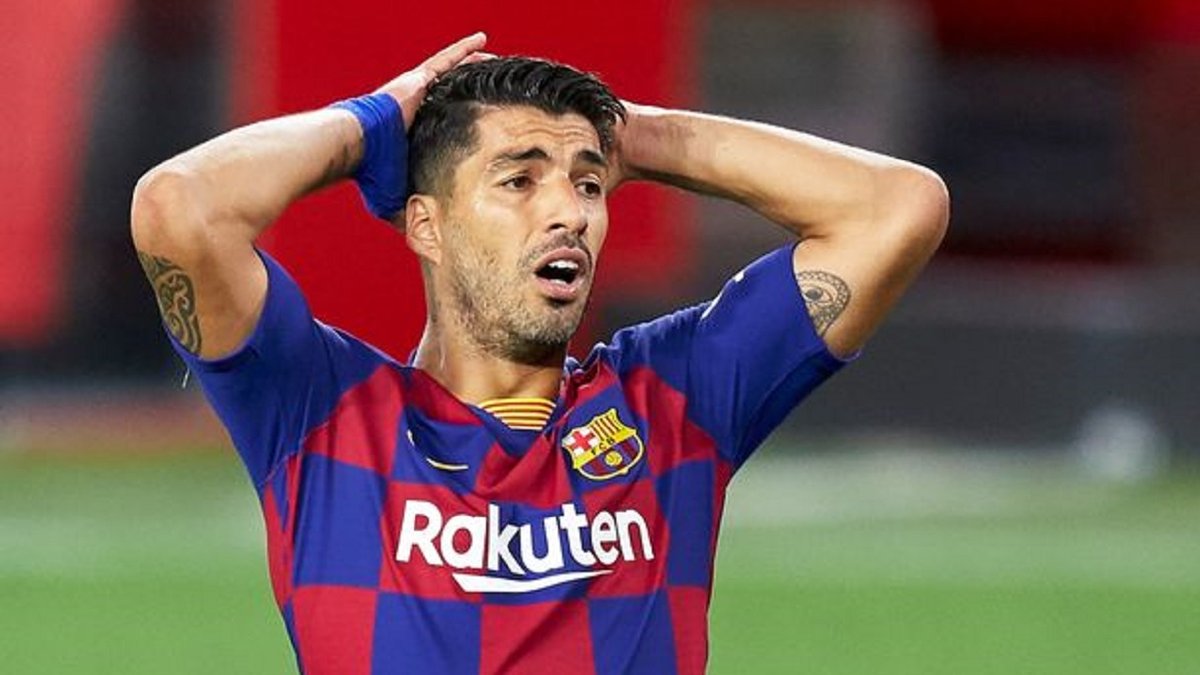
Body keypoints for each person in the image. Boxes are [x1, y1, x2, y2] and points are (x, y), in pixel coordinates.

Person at [131, 32, 948, 675]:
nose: (570, 213)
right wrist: (369, 124)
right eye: (519, 181)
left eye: (588, 184)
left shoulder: (673, 401)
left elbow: (898, 208)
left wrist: (641, 137)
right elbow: (178, 209)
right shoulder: (322, 411)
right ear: (427, 225)